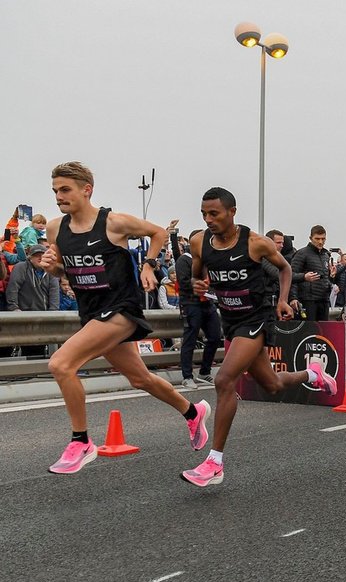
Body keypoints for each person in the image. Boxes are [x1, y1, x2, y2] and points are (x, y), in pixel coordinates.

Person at [39, 161, 211, 475]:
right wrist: (52, 266)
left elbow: (158, 232)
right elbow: (65, 270)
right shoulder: (55, 228)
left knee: (60, 364)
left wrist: (148, 264)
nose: (58, 196)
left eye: (65, 189)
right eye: (55, 191)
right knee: (140, 378)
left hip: (120, 310)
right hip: (92, 312)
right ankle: (192, 412)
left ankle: (81, 442)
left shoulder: (113, 223)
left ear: (86, 189)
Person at [180, 187, 337, 486]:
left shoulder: (254, 243)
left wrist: (282, 299)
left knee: (224, 380)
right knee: (273, 384)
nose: (208, 219)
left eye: (214, 213)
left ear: (232, 212)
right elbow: (196, 277)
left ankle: (215, 463)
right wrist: (198, 284)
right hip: (230, 318)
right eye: (204, 214)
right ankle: (312, 374)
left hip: (256, 319)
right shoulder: (200, 241)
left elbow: (285, 267)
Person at [175, 229, 222, 389]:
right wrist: (198, 285)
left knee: (215, 336)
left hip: (208, 304)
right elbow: (182, 282)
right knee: (190, 339)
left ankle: (204, 371)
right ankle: (187, 376)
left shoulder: (208, 260)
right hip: (190, 304)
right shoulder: (184, 260)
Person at [6, 243, 61, 357]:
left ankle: (35, 373)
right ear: (30, 257)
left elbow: (54, 293)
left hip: (44, 316)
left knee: (39, 349)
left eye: (43, 254)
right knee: (28, 348)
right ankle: (25, 373)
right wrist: (14, 308)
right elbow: (13, 288)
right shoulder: (21, 267)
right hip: (24, 315)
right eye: (37, 255)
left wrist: (53, 314)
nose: (40, 257)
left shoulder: (51, 270)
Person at [289, 225, 333, 321]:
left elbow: (325, 278)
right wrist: (293, 297)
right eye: (317, 239)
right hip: (307, 300)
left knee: (324, 332)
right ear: (310, 238)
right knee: (309, 331)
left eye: (323, 239)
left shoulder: (326, 255)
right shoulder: (302, 253)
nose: (320, 242)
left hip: (324, 299)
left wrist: (332, 279)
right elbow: (290, 276)